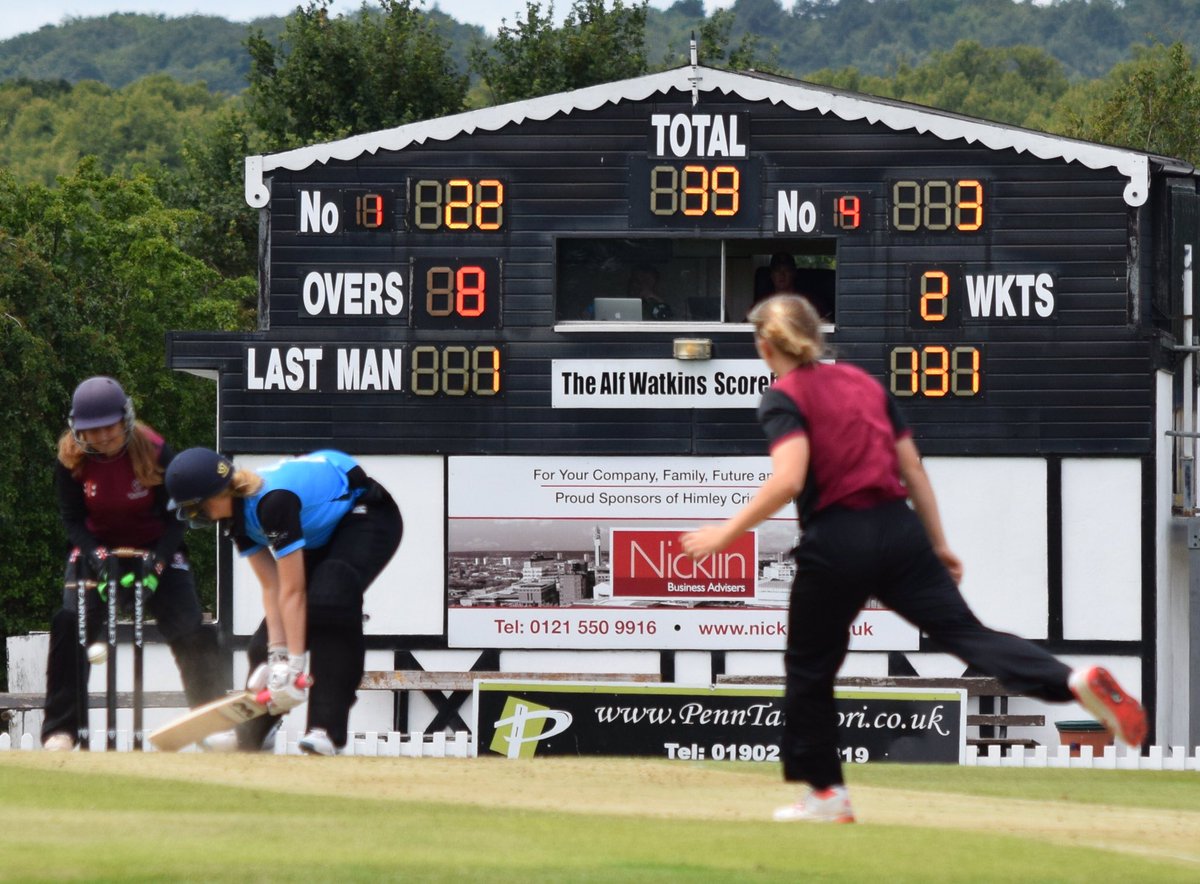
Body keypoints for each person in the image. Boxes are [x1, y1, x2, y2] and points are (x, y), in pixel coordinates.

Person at [679, 295, 1147, 823]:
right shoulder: (864, 384)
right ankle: (1071, 680)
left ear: (766, 346)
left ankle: (827, 795)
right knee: (968, 634)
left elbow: (789, 478)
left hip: (837, 539)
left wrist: (726, 532)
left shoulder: (784, 397)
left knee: (810, 667)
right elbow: (913, 470)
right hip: (900, 530)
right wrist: (938, 542)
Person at [164, 447, 402, 755]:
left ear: (211, 498)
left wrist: (295, 664)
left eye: (194, 508)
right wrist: (277, 656)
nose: (195, 517)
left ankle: (326, 730)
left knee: (331, 597)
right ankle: (254, 736)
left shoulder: (273, 503)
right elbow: (272, 588)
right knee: (262, 647)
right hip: (319, 531)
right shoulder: (237, 518)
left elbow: (294, 593)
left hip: (365, 513)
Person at [42, 376, 225, 750]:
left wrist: (156, 565)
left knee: (190, 626)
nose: (103, 438)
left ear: (124, 419)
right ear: (78, 430)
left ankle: (211, 720)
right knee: (68, 623)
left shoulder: (156, 451)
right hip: (96, 548)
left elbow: (177, 517)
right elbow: (72, 520)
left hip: (155, 546)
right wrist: (98, 559)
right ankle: (61, 729)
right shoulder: (69, 459)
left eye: (108, 427)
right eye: (91, 431)